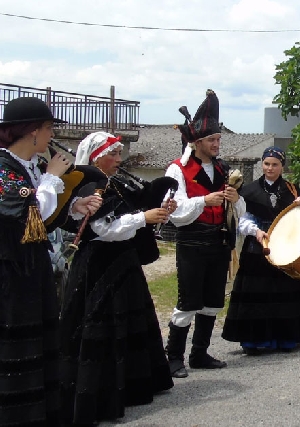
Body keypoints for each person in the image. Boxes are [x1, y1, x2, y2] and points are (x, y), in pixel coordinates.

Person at [58, 131, 175, 425]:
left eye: (119, 154)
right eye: (114, 155)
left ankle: (133, 385)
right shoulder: (87, 185)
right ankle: (101, 394)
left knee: (129, 322)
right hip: (98, 266)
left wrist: (157, 212)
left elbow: (134, 213)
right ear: (97, 156)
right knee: (101, 328)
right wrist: (143, 218)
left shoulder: (116, 184)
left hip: (123, 262)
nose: (119, 160)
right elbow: (103, 229)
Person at [0, 97, 98, 426]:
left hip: (34, 270)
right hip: (11, 273)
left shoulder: (33, 168)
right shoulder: (3, 168)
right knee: (15, 346)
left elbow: (44, 218)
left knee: (41, 341)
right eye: (49, 128)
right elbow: (26, 214)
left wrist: (74, 207)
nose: (51, 134)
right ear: (33, 132)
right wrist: (54, 177)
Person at [164, 90, 245, 377]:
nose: (217, 144)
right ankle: (174, 357)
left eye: (218, 139)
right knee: (188, 302)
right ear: (197, 142)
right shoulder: (178, 170)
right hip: (193, 242)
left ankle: (199, 353)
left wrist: (235, 199)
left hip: (218, 241)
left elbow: (238, 209)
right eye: (212, 140)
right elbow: (174, 211)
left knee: (212, 301)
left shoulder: (222, 168)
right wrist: (204, 200)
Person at [222, 147, 300, 354]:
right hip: (258, 247)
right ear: (262, 164)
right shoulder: (248, 190)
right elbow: (242, 219)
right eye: (266, 164)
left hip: (288, 245)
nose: (270, 168)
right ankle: (254, 340)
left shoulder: (293, 189)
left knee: (286, 291)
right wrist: (256, 231)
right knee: (258, 292)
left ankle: (286, 338)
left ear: (282, 166)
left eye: (275, 164)